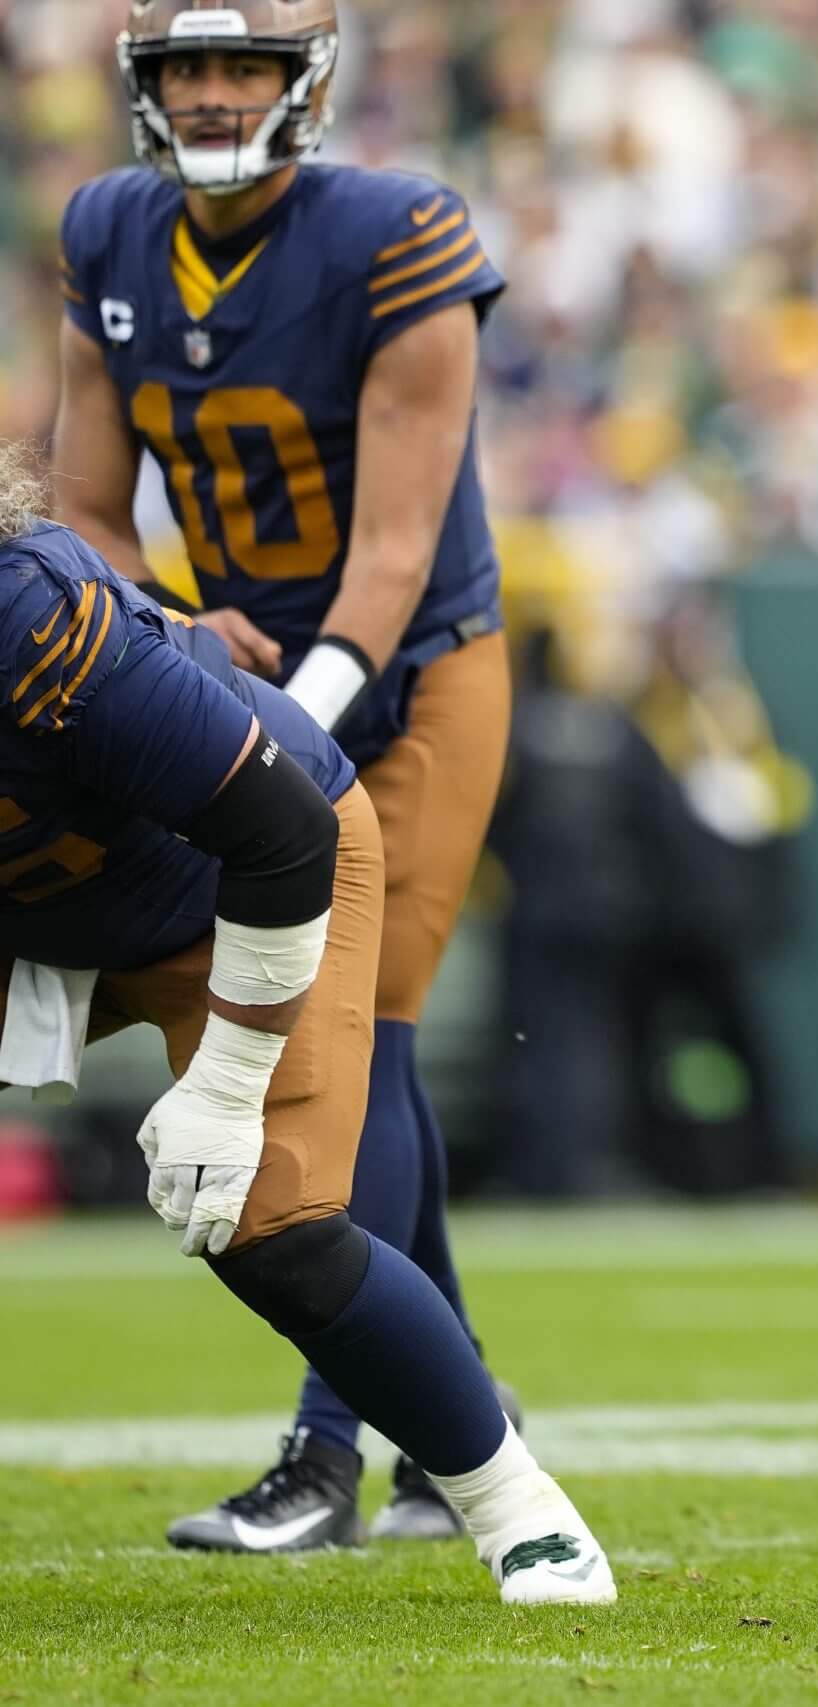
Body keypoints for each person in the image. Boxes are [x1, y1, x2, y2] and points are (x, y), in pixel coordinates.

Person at [51, 0, 517, 1550]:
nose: (208, 91)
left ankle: (328, 1447)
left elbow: (393, 547)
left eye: (241, 62)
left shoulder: (397, 231)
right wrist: (176, 634)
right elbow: (87, 523)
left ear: (306, 79)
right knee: (367, 1051)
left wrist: (291, 726)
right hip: (241, 668)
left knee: (361, 1037)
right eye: (182, 65)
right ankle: (466, 1431)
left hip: (420, 668)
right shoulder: (112, 232)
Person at [0, 491, 609, 1604]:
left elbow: (283, 833)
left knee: (264, 1220)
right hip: (39, 914)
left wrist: (228, 1088)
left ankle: (517, 1509)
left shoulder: (31, 620)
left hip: (238, 896)